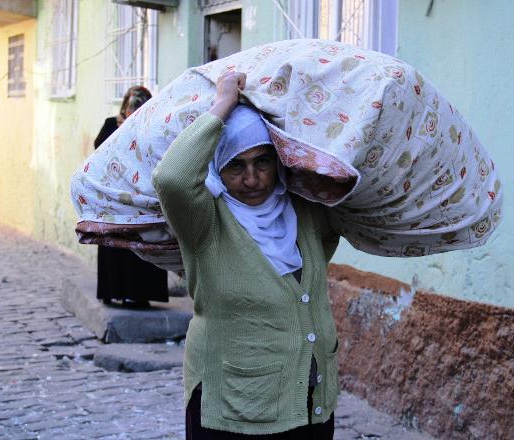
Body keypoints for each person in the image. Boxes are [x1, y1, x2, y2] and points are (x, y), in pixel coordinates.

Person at [153, 71, 340, 439]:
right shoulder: (204, 220)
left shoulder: (303, 210)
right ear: (217, 168)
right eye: (236, 165)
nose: (252, 179)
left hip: (309, 403)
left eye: (263, 162)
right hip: (233, 408)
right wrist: (223, 103)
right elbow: (172, 177)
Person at [95, 86, 169, 308]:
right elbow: (99, 153)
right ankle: (112, 291)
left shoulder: (154, 127)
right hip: (115, 196)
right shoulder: (111, 125)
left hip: (143, 196)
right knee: (116, 245)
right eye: (131, 110)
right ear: (125, 108)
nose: (133, 115)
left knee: (142, 245)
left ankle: (139, 294)